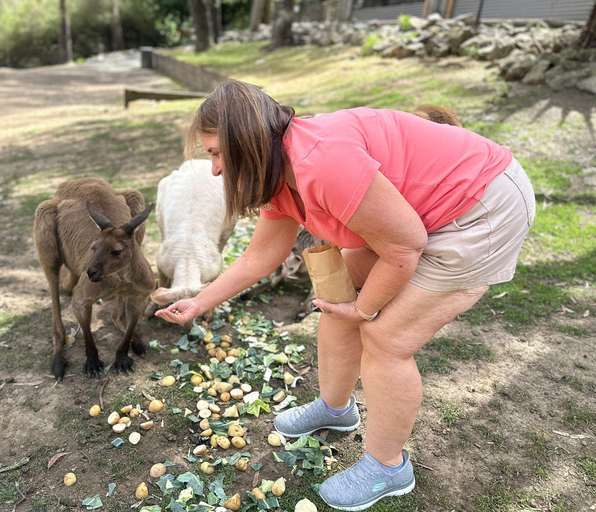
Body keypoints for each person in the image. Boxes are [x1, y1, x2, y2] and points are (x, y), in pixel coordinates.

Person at [155, 79, 535, 511]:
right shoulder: (277, 169)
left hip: (482, 206)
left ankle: (388, 468)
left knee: (386, 339)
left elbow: (404, 247)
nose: (216, 170)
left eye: (218, 153)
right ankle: (335, 408)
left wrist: (365, 308)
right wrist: (200, 301)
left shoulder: (321, 163)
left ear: (249, 143)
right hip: (418, 216)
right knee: (332, 296)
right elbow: (259, 257)